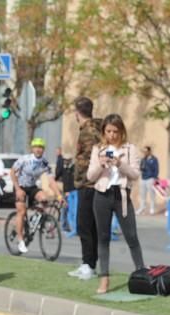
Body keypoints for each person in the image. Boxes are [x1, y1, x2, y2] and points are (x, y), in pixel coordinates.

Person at [87, 113, 145, 294]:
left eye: (115, 131)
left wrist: (120, 164)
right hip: (102, 196)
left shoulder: (130, 149)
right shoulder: (98, 149)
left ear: (122, 131)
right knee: (103, 238)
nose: (112, 135)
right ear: (104, 131)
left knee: (132, 237)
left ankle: (141, 274)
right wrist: (101, 164)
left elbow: (135, 174)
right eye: (109, 131)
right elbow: (90, 176)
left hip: (122, 196)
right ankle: (104, 279)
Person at [68, 96, 102, 281]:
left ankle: (88, 265)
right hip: (93, 184)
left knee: (84, 226)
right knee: (91, 226)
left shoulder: (88, 131)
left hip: (88, 184)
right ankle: (90, 263)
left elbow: (89, 159)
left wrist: (79, 172)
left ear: (77, 113)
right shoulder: (96, 128)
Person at [10, 137, 62, 254]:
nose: (38, 150)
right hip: (20, 186)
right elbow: (12, 172)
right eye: (36, 147)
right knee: (22, 211)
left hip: (32, 187)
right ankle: (20, 240)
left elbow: (51, 180)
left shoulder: (44, 162)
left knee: (44, 199)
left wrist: (59, 196)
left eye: (41, 148)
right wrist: (17, 189)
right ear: (32, 148)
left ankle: (35, 220)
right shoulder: (25, 159)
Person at [136, 145, 159, 215]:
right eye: (144, 151)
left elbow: (156, 169)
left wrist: (154, 177)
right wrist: (141, 168)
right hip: (143, 178)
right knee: (142, 194)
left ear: (149, 151)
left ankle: (152, 208)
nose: (145, 153)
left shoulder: (154, 159)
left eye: (146, 151)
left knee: (152, 194)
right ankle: (142, 208)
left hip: (150, 178)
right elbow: (141, 167)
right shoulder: (143, 159)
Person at [56, 151, 75, 231]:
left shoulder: (74, 168)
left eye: (68, 160)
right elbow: (57, 175)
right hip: (65, 191)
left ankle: (74, 227)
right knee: (64, 209)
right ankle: (64, 225)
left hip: (73, 192)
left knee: (72, 210)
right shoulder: (63, 168)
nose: (66, 161)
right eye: (65, 160)